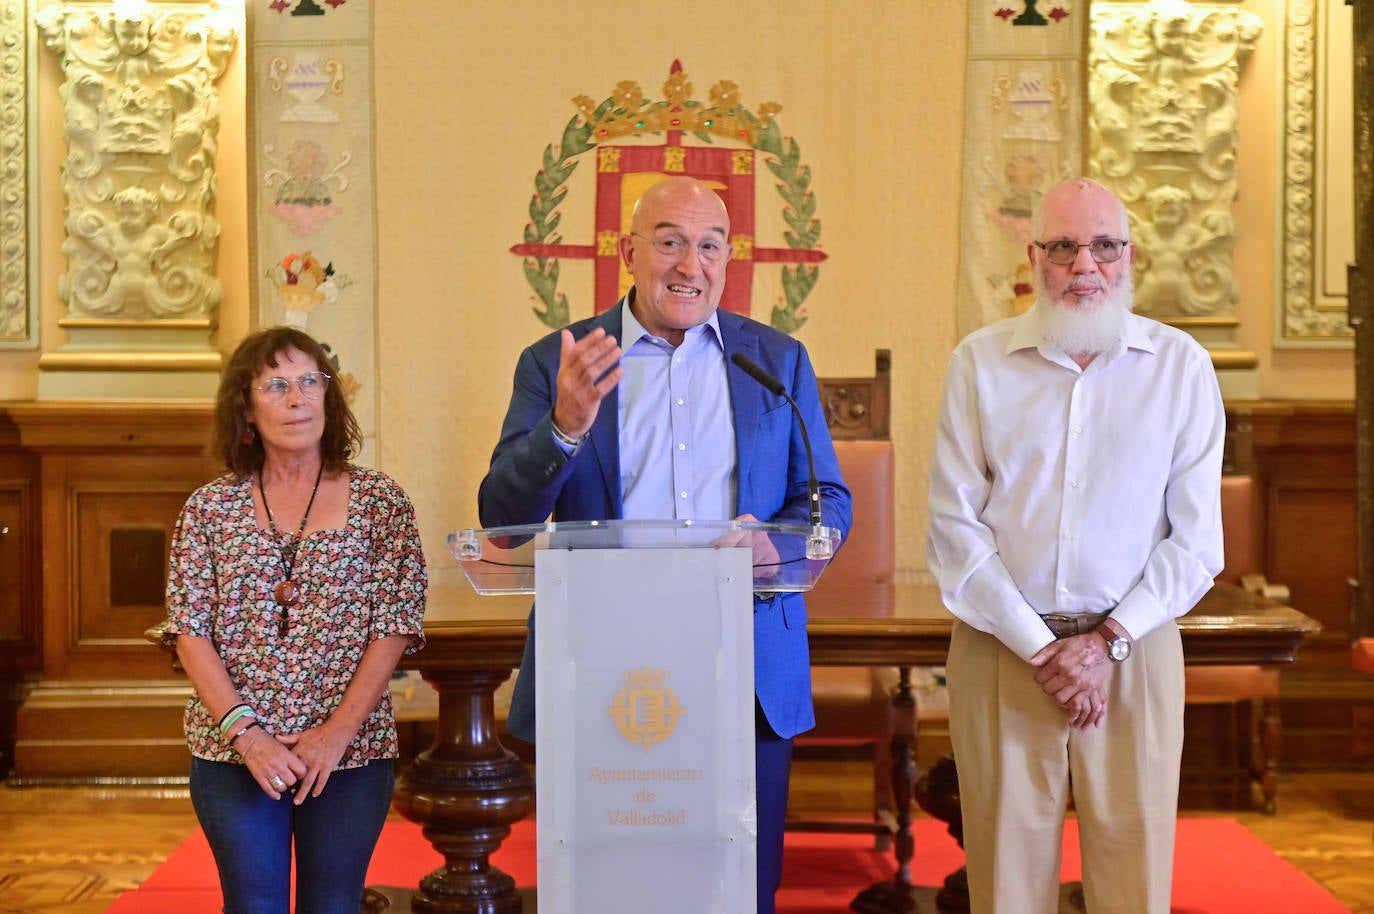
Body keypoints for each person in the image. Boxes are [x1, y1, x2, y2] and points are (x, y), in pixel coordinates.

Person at [479, 175, 852, 914]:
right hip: (605, 665)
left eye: (710, 245)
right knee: (610, 886)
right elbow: (502, 519)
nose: (691, 265)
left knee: (742, 885)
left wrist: (779, 551)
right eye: (671, 241)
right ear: (629, 252)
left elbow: (827, 504)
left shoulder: (776, 362)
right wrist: (565, 426)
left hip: (742, 663)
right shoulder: (562, 362)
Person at [926, 177, 1225, 914]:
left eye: (1103, 246)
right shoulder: (979, 363)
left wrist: (1107, 643)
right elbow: (953, 530)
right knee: (1005, 883)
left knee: (1133, 878)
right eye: (1063, 247)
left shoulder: (1180, 367)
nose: (1084, 265)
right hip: (1004, 653)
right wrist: (1040, 648)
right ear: (1033, 256)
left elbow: (1196, 541)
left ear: (1130, 255)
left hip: (1136, 652)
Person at [161, 326, 427, 914]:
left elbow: (395, 625)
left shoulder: (381, 501)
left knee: (331, 905)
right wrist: (249, 737)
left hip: (350, 751)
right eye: (276, 385)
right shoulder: (209, 508)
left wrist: (335, 735)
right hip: (235, 751)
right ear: (246, 409)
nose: (298, 397)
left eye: (310, 381)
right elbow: (188, 630)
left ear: (329, 399)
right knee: (253, 904)